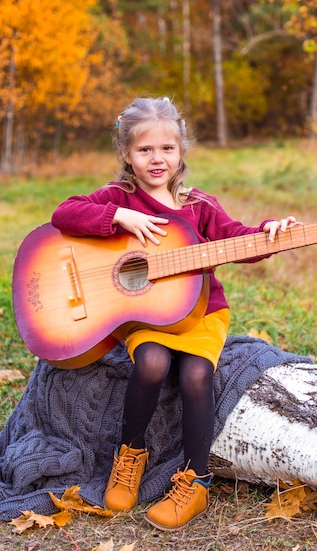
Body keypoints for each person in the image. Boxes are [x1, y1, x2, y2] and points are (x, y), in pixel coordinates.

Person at [51, 96, 300, 531]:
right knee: (151, 361)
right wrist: (119, 217)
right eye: (145, 149)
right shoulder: (119, 197)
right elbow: (64, 213)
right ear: (126, 153)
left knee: (196, 374)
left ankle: (195, 481)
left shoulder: (198, 205)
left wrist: (268, 233)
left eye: (167, 148)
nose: (157, 158)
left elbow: (237, 238)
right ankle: (129, 455)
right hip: (145, 314)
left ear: (181, 150)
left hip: (203, 313)